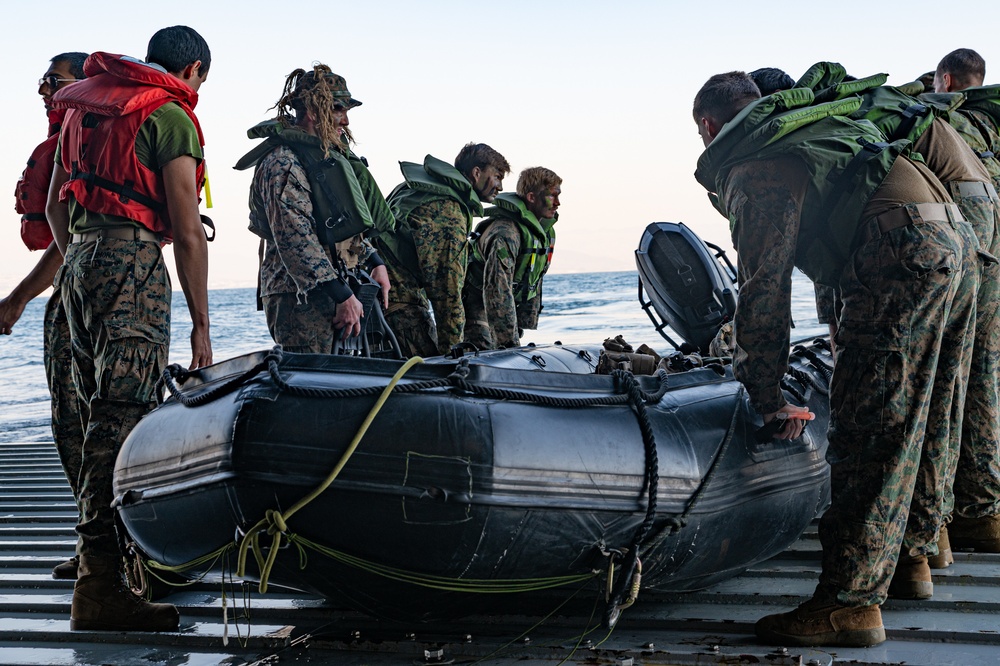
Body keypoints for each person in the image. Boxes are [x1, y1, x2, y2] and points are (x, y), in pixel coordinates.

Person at [693, 72, 980, 648]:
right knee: (927, 417)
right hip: (959, 246)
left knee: (871, 425)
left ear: (707, 126)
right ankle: (912, 559)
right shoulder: (814, 128)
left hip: (901, 252)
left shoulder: (754, 159)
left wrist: (766, 392)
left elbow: (764, 289)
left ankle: (848, 604)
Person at [793, 60, 996, 595]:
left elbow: (833, 235)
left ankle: (859, 591)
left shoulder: (806, 136)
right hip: (967, 230)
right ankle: (927, 546)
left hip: (922, 236)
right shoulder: (905, 114)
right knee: (949, 394)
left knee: (879, 413)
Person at [45, 26, 213, 632]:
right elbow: (188, 231)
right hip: (133, 266)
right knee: (122, 421)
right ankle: (102, 588)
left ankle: (114, 572)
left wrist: (84, 260)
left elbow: (54, 206)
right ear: (192, 71)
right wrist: (200, 325)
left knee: (95, 414)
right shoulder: (169, 115)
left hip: (80, 262)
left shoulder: (85, 108)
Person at [1, 52, 87, 581]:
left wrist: (15, 300)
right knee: (81, 420)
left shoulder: (83, 140)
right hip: (87, 289)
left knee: (82, 424)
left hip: (84, 292)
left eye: (53, 80)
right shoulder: (71, 139)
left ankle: (108, 550)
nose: (42, 89)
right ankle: (101, 543)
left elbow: (66, 244)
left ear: (83, 84)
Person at [236, 64, 391, 353]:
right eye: (337, 110)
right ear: (311, 110)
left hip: (335, 289)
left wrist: (375, 261)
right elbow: (296, 239)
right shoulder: (282, 163)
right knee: (314, 383)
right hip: (299, 299)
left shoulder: (325, 159)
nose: (344, 121)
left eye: (346, 112)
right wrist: (342, 295)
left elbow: (339, 223)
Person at [929, 48, 1000, 557]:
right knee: (985, 380)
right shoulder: (989, 130)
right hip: (994, 255)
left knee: (942, 387)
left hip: (959, 256)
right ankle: (984, 509)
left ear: (946, 80)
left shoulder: (941, 123)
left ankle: (929, 533)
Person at [378, 143, 510, 357]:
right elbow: (447, 292)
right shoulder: (448, 211)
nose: (500, 187)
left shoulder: (415, 190)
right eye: (497, 176)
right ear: (477, 173)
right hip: (400, 309)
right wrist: (452, 355)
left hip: (378, 304)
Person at [463, 167, 562, 349]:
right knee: (484, 351)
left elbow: (534, 277)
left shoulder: (544, 233)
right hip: (476, 302)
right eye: (552, 196)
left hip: (506, 305)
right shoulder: (505, 234)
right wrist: (509, 344)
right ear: (531, 198)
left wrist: (523, 324)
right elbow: (496, 290)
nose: (558, 203)